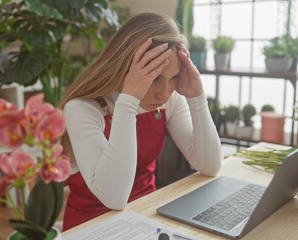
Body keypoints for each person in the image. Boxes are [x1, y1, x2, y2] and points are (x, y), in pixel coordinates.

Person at [59, 12, 222, 231]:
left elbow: (210, 166)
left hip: (147, 219)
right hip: (91, 227)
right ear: (125, 67)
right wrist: (129, 100)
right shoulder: (82, 107)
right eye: (155, 78)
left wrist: (197, 96)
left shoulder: (169, 99)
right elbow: (115, 198)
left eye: (173, 77)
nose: (164, 93)